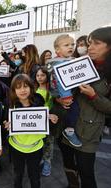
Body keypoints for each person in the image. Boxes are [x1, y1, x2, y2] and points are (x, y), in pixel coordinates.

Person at [55, 26, 111, 188]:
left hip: (88, 132)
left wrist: (93, 95)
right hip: (66, 127)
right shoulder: (78, 63)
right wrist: (59, 99)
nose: (89, 47)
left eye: (96, 43)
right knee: (69, 167)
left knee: (86, 173)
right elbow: (58, 88)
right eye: (89, 43)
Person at [4, 74, 58, 188]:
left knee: (34, 175)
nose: (22, 90)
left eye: (25, 86)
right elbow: (4, 122)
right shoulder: (11, 105)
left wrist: (51, 117)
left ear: (31, 87)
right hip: (17, 147)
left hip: (35, 147)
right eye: (18, 87)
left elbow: (43, 119)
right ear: (14, 90)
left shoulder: (39, 102)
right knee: (18, 174)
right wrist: (6, 125)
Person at [47, 34, 82, 147]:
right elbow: (60, 83)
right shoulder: (59, 63)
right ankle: (69, 130)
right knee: (73, 110)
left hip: (67, 95)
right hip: (63, 96)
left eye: (72, 44)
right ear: (57, 49)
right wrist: (65, 97)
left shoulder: (71, 60)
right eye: (66, 45)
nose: (70, 47)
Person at [35, 67, 54, 176]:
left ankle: (47, 163)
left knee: (48, 143)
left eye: (42, 75)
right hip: (38, 121)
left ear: (47, 76)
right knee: (40, 142)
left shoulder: (51, 90)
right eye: (38, 75)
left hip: (48, 121)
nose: (40, 78)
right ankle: (42, 159)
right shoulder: (34, 89)